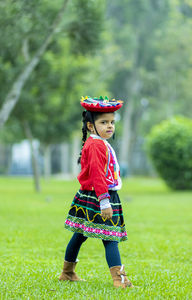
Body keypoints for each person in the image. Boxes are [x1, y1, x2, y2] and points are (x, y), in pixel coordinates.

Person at [59, 96, 133, 288]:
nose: (110, 126)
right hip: (99, 196)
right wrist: (105, 201)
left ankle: (67, 272)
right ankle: (119, 280)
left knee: (80, 233)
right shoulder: (95, 145)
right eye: (104, 122)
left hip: (94, 196)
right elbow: (98, 176)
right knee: (110, 237)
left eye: (112, 122)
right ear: (91, 126)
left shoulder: (99, 143)